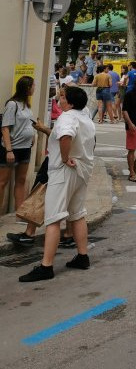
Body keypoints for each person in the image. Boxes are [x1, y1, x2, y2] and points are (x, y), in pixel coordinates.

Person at [18, 86, 97, 282]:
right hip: (82, 169)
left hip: (65, 170)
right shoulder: (85, 117)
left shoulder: (67, 117)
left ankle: (46, 266)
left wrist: (63, 157)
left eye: (62, 97)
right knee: (77, 214)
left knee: (53, 218)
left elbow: (66, 136)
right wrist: (46, 130)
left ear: (70, 103)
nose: (59, 99)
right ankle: (82, 256)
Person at [1, 76, 49, 230]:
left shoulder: (26, 105)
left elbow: (27, 123)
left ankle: (20, 213)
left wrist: (32, 136)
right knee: (2, 182)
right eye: (33, 85)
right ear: (26, 87)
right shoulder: (12, 104)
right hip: (11, 149)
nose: (34, 88)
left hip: (25, 148)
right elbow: (5, 128)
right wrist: (9, 150)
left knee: (21, 181)